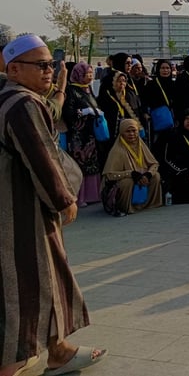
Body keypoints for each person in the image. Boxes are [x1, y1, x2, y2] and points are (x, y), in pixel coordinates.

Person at [0, 35, 107, 376]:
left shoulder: (12, 99)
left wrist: (59, 88)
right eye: (41, 65)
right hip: (23, 213)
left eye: (51, 64)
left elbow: (52, 114)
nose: (48, 70)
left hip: (15, 210)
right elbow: (41, 158)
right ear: (14, 69)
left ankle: (55, 351)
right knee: (35, 283)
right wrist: (64, 200)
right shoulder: (22, 104)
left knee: (41, 282)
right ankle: (18, 361)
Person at [63, 62, 103, 207]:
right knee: (80, 164)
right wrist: (84, 112)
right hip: (78, 135)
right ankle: (80, 197)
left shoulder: (87, 89)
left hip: (90, 133)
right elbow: (67, 113)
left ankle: (93, 194)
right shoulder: (71, 90)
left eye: (91, 73)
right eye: (87, 74)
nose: (90, 76)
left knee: (92, 163)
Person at [101, 119, 163, 215]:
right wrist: (131, 174)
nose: (131, 134)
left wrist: (148, 174)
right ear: (122, 133)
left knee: (156, 176)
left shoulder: (141, 145)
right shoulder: (117, 150)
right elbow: (109, 175)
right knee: (127, 182)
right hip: (121, 182)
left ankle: (147, 204)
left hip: (141, 178)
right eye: (128, 131)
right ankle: (126, 207)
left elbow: (154, 164)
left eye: (134, 131)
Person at [97, 71, 143, 145]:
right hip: (112, 134)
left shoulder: (128, 96)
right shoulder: (105, 98)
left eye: (124, 81)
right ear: (113, 82)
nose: (122, 83)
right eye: (119, 81)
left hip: (128, 134)